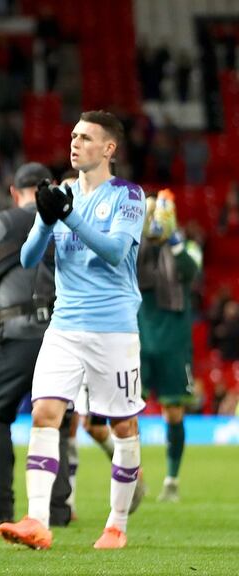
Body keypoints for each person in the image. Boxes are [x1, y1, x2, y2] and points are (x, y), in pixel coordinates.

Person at [0, 110, 146, 551]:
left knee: (122, 425)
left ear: (109, 149)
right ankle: (37, 520)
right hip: (64, 326)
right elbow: (27, 260)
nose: (75, 143)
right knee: (45, 412)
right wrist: (46, 218)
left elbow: (116, 252)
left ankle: (117, 525)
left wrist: (69, 217)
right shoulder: (62, 193)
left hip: (113, 329)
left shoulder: (128, 195)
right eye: (73, 136)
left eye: (85, 137)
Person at [0, 162, 74, 527]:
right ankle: (58, 508)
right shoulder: (66, 220)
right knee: (56, 422)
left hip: (15, 334)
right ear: (51, 188)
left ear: (15, 192)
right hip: (60, 334)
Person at [136, 190, 199, 501]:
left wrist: (172, 238)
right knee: (128, 412)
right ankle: (135, 476)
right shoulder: (137, 250)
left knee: (173, 413)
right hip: (140, 340)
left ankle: (171, 481)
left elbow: (190, 271)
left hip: (174, 344)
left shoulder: (187, 247)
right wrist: (141, 223)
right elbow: (126, 266)